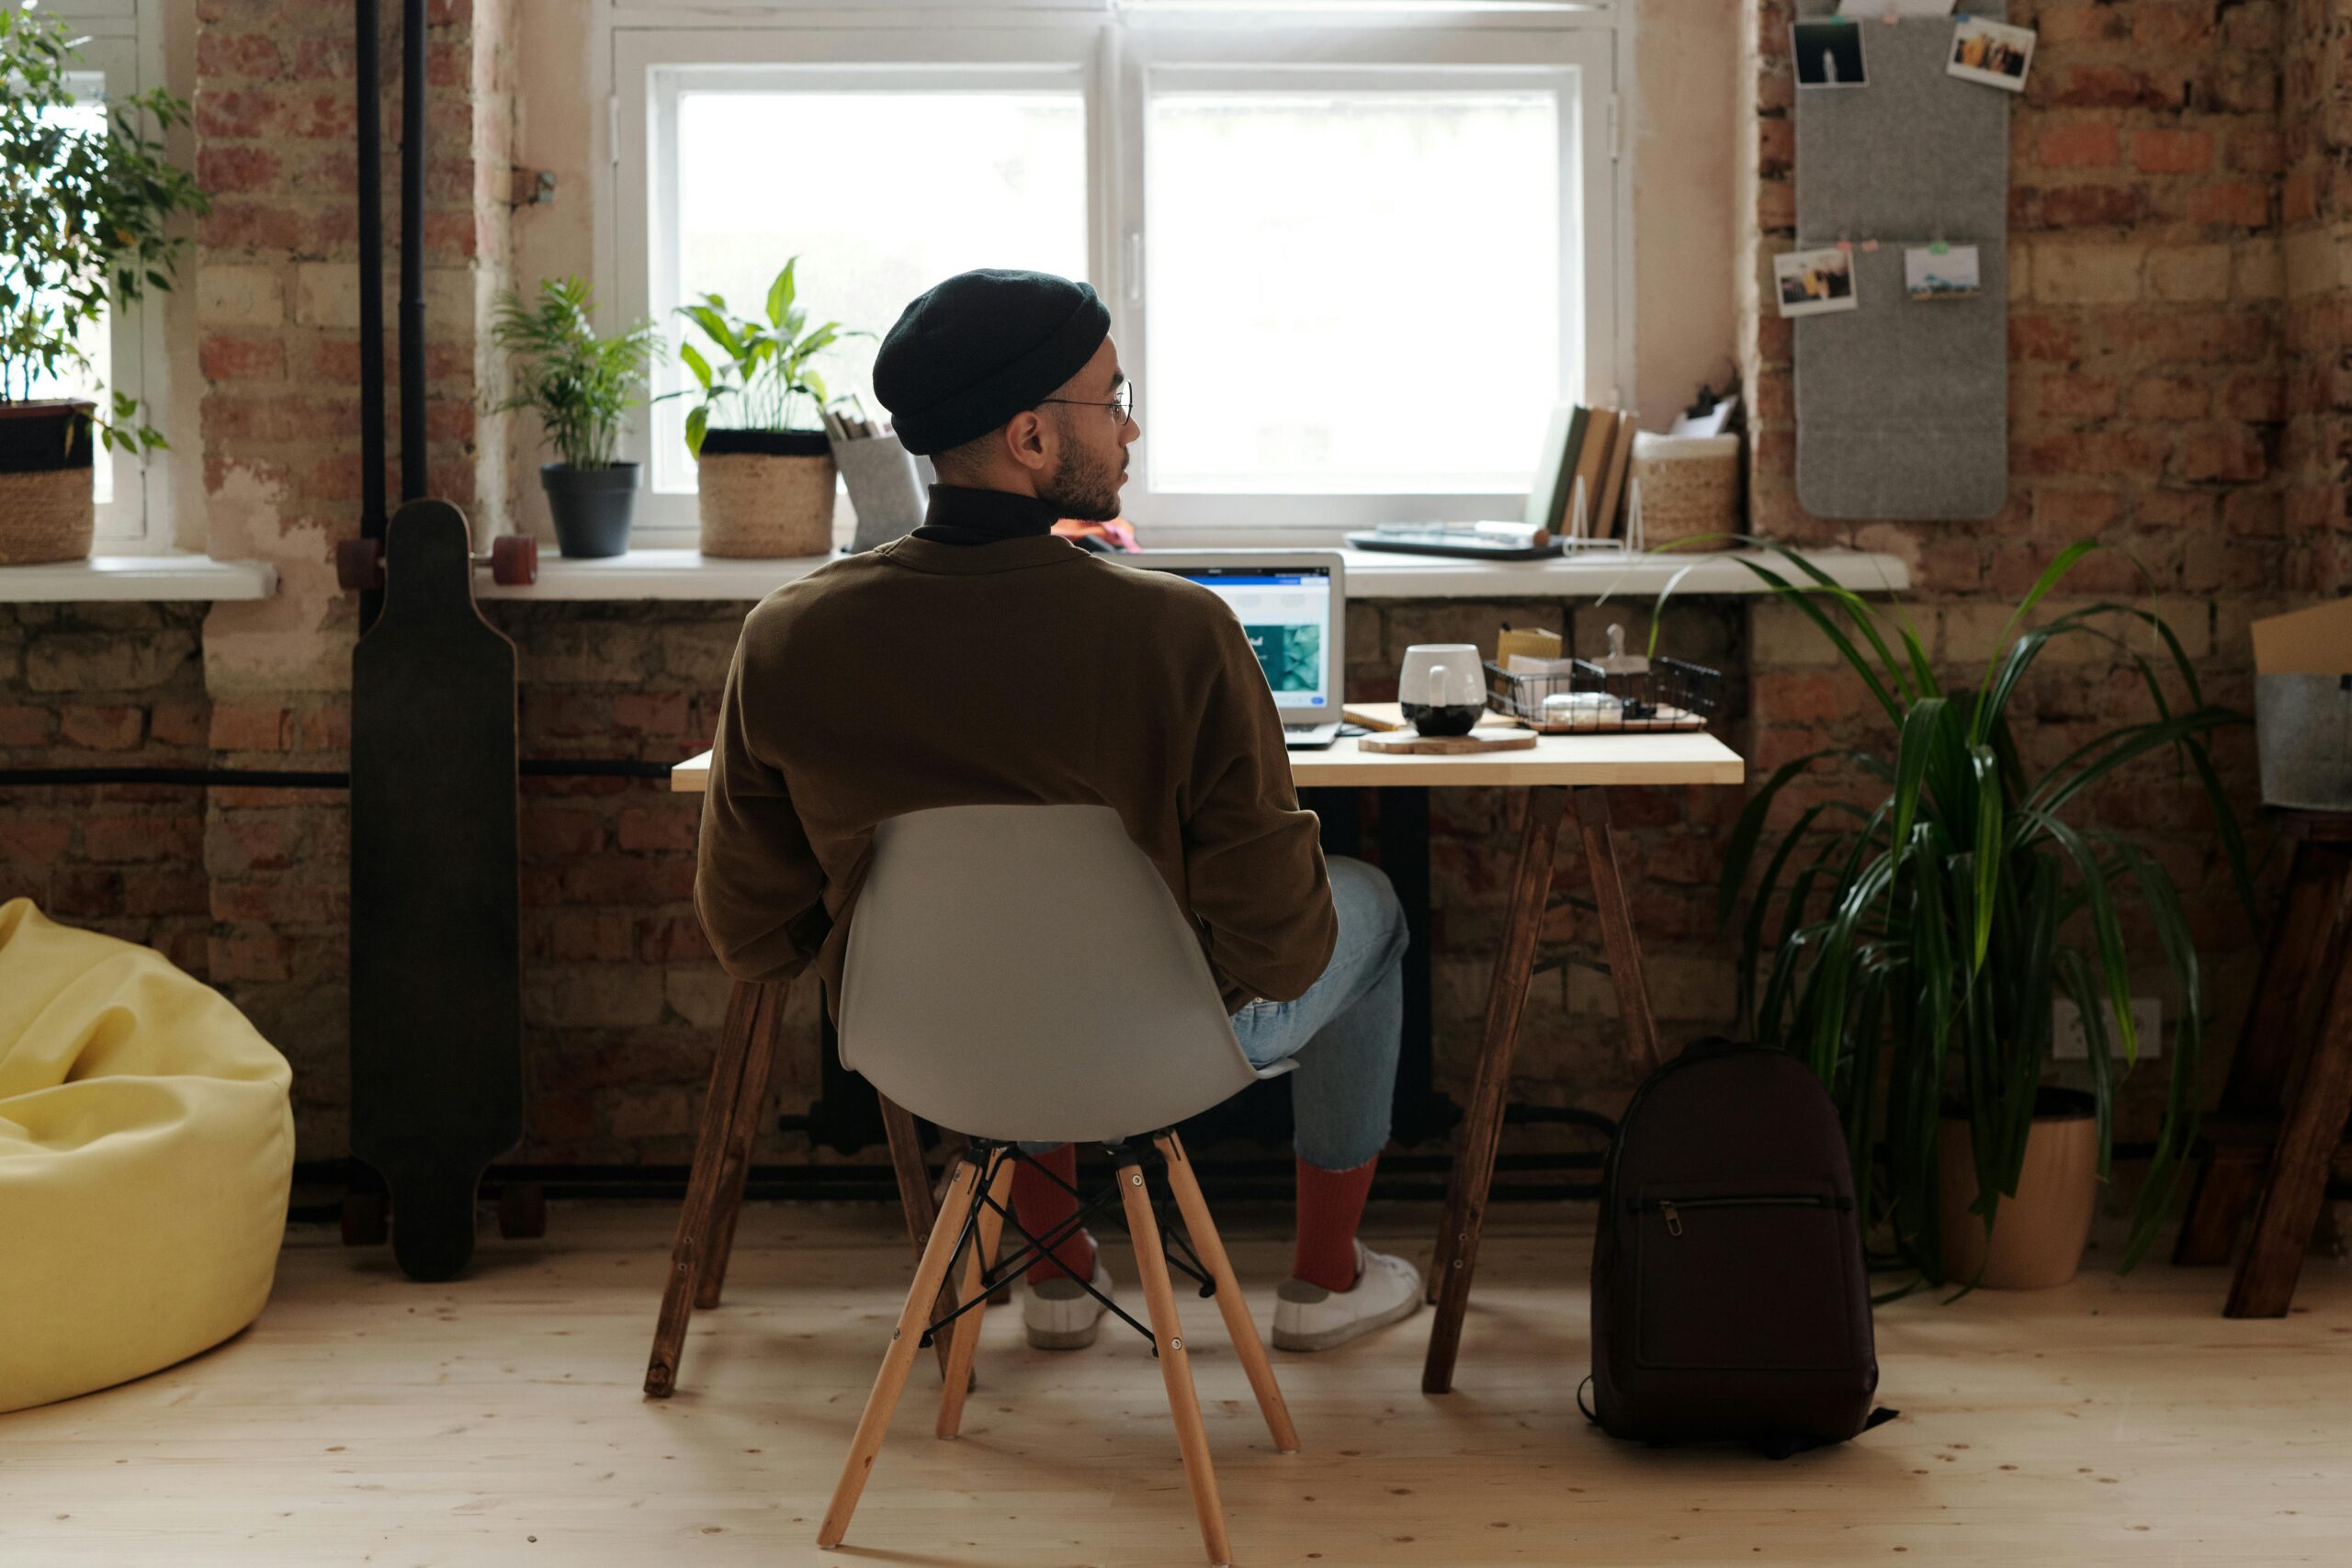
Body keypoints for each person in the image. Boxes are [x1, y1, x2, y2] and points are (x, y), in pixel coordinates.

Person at [694, 267, 1419, 1353]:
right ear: (1031, 437)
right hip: (1156, 1050)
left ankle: (1059, 1265)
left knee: (1012, 966)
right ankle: (1325, 1279)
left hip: (921, 1053)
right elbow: (1279, 948)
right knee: (1371, 906)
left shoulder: (789, 635)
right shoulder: (1179, 636)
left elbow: (752, 935)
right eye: (1113, 399)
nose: (1128, 431)